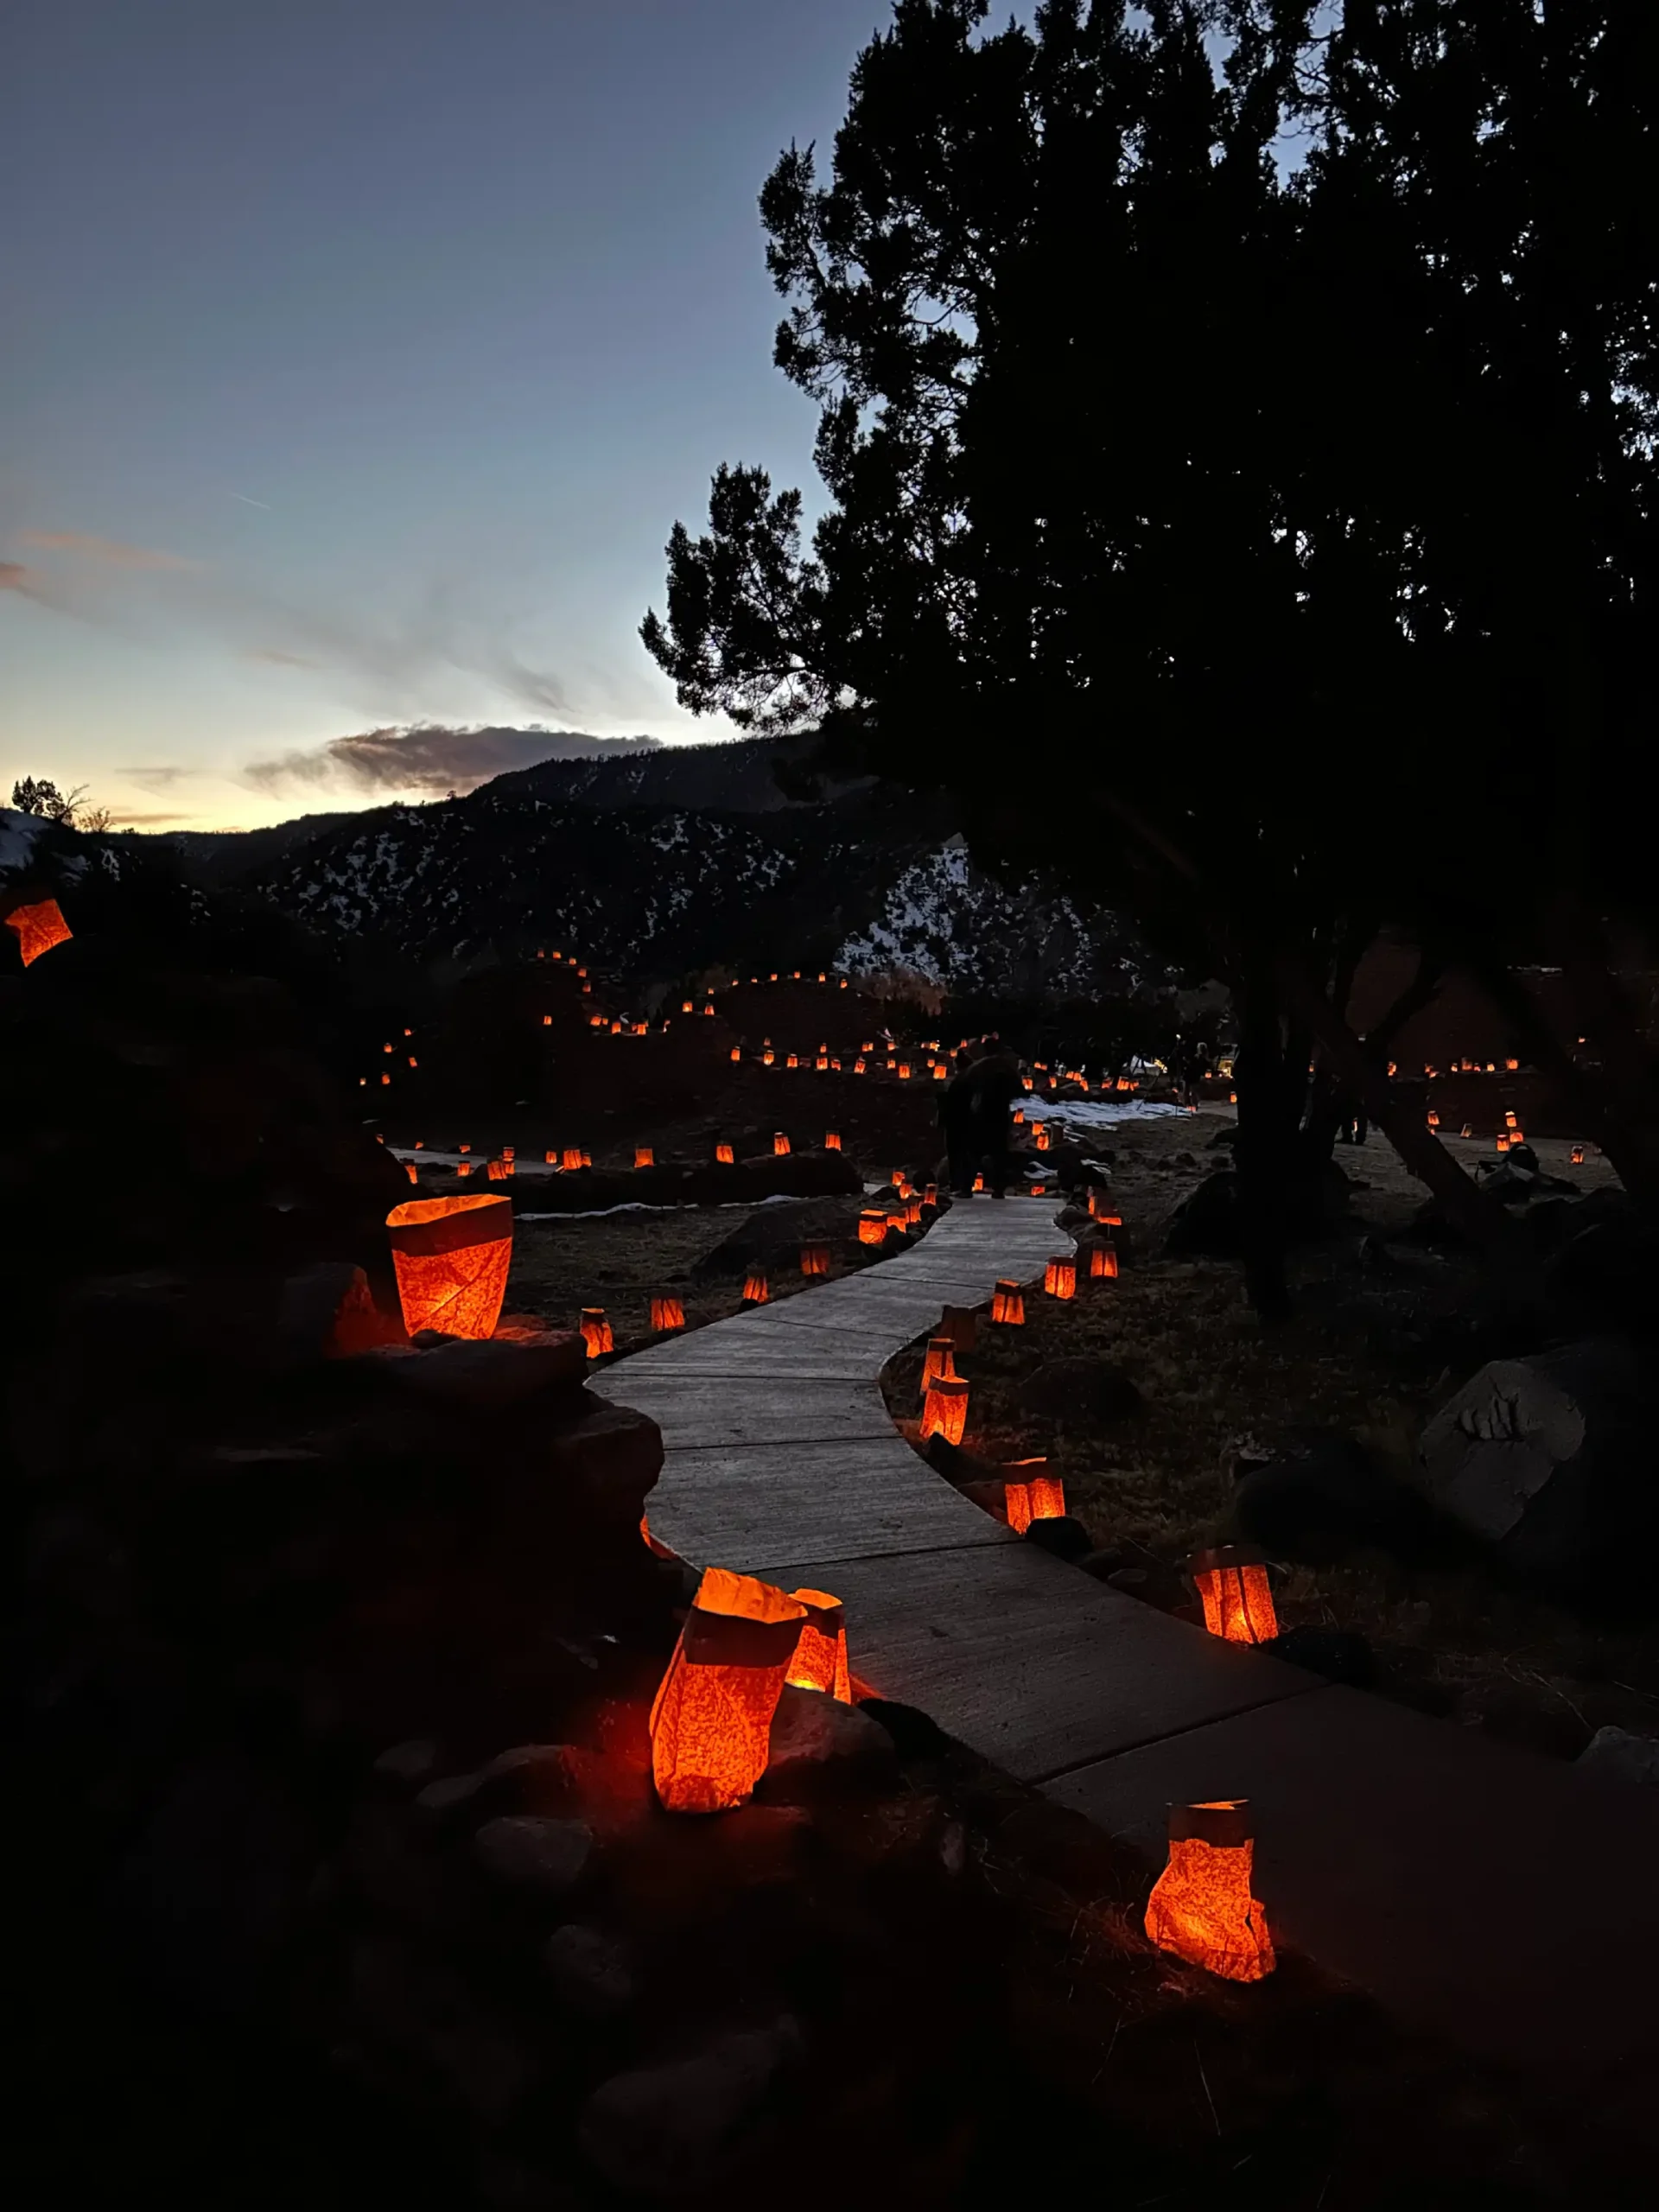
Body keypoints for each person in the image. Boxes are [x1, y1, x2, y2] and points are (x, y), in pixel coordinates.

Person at [967, 1047, 1022, 1198]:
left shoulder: (981, 1072)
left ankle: (967, 1186)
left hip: (984, 1119)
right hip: (999, 1120)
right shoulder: (1006, 1071)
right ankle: (998, 1188)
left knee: (975, 1153)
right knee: (998, 1155)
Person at [938, 1045, 985, 1194]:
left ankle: (960, 1186)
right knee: (964, 1156)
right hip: (967, 1122)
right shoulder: (972, 1082)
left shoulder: (961, 1082)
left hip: (958, 1123)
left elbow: (951, 1102)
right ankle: (961, 1185)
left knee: (958, 1155)